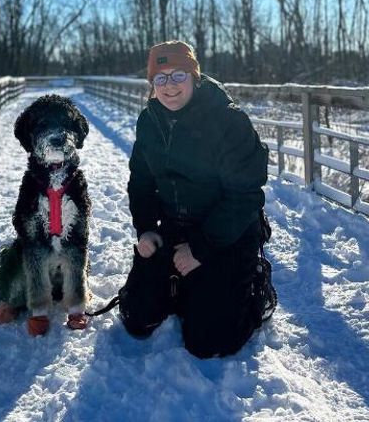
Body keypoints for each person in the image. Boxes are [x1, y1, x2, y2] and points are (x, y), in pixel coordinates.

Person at [118, 40, 277, 358]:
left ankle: (254, 288)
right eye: (160, 78)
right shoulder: (150, 122)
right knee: (137, 318)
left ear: (195, 76)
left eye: (178, 75)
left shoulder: (228, 122)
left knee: (207, 341)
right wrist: (146, 228)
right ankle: (189, 288)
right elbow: (141, 182)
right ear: (152, 85)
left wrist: (202, 249)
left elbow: (245, 195)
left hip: (226, 232)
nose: (169, 86)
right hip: (176, 226)